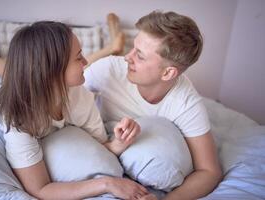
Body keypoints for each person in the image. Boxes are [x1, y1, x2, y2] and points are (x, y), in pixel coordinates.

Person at [0, 14, 151, 200]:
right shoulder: (17, 120)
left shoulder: (80, 96)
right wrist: (107, 184)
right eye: (79, 58)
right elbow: (40, 189)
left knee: (13, 75)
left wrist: (119, 142)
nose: (86, 63)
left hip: (29, 87)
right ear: (52, 71)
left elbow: (99, 146)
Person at [84, 11, 223, 200]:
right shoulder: (108, 70)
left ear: (167, 73)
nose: (127, 57)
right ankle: (113, 44)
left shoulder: (186, 103)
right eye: (133, 48)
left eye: (139, 56)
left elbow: (209, 171)